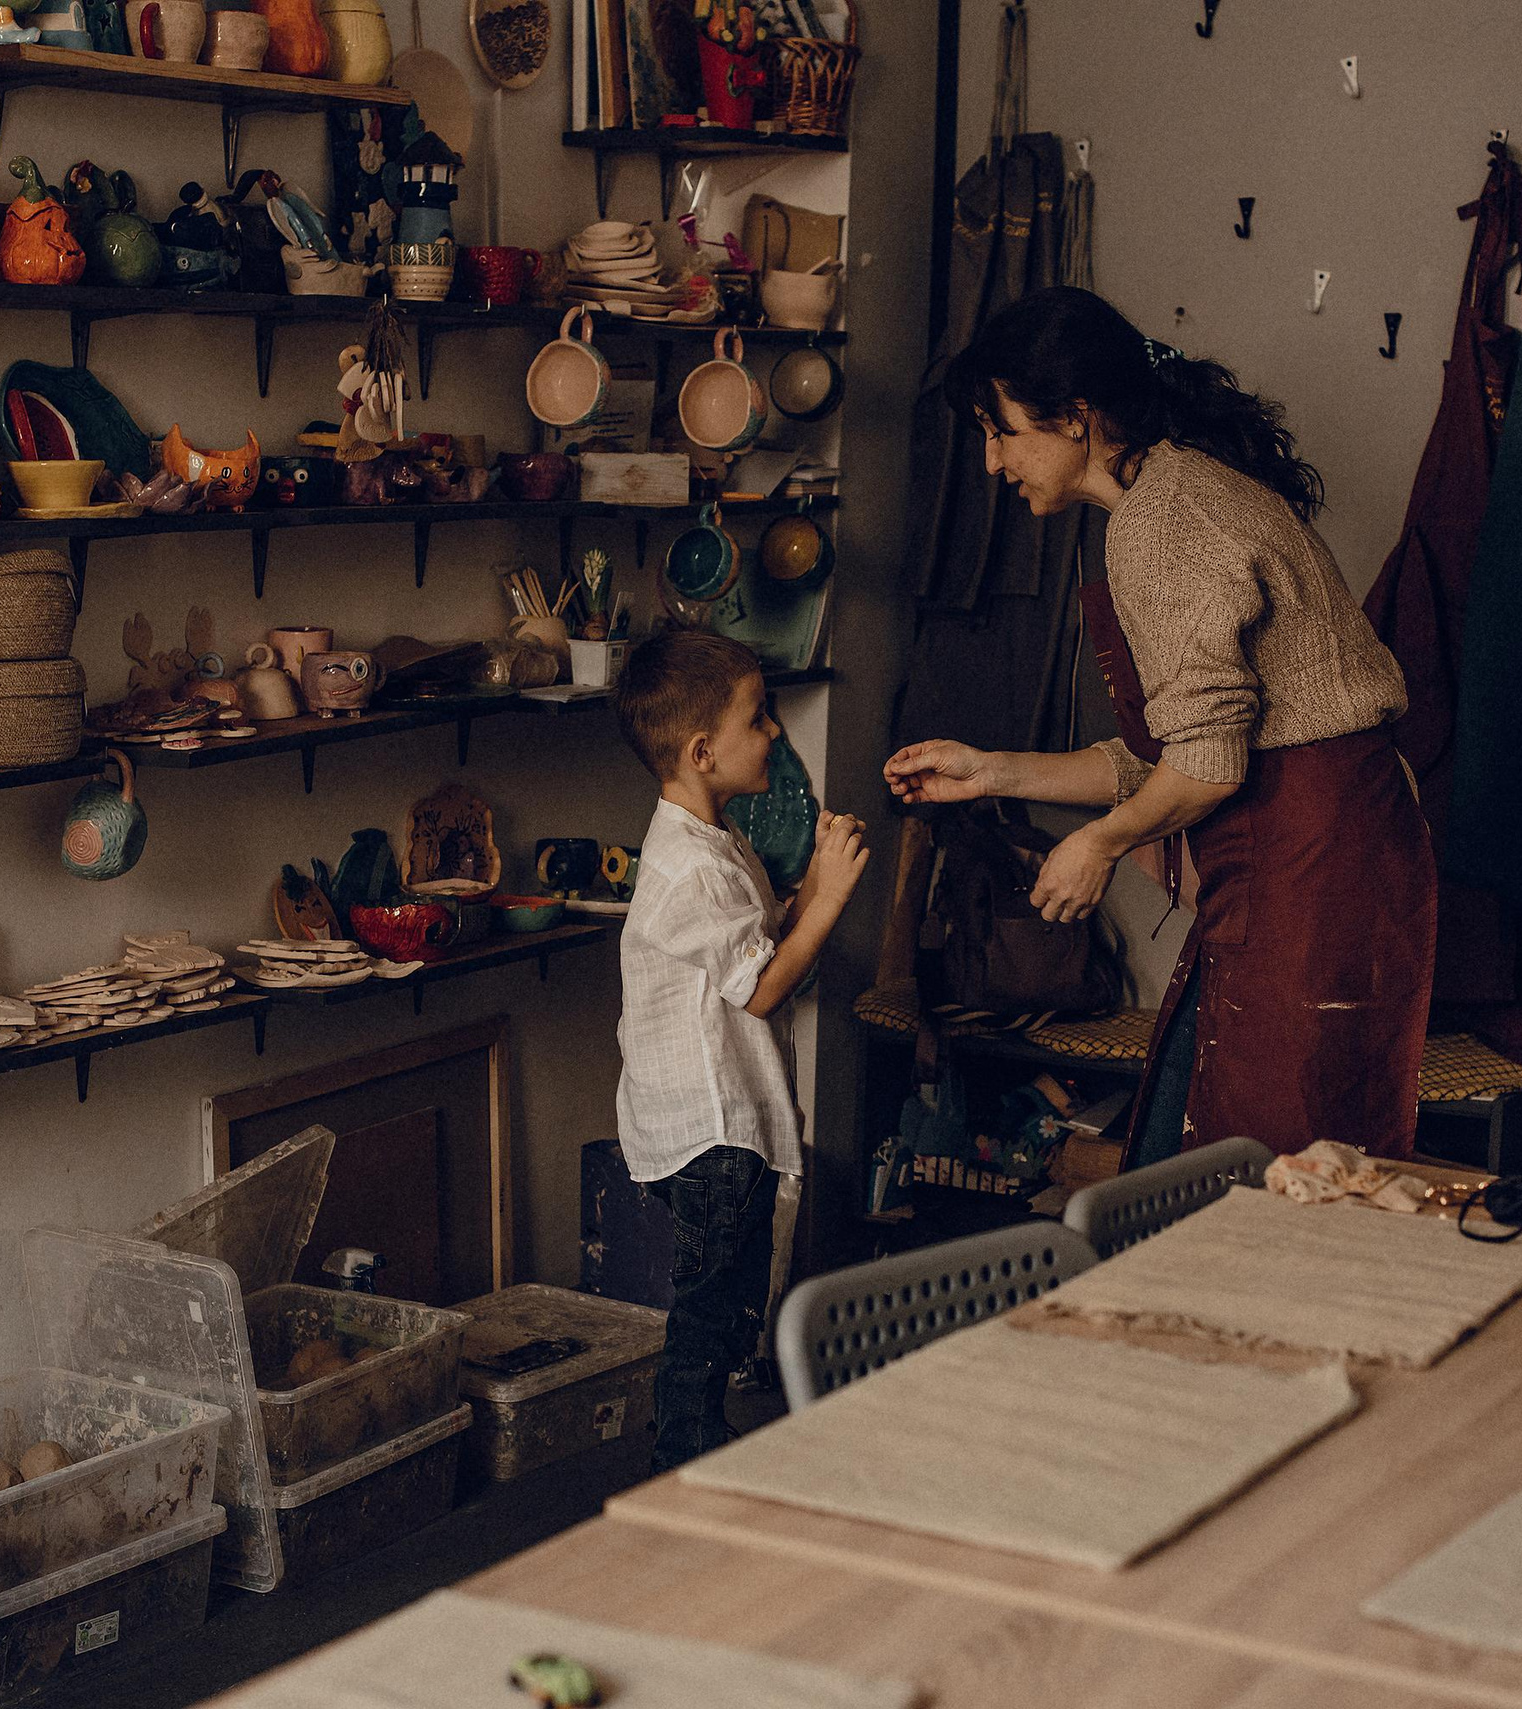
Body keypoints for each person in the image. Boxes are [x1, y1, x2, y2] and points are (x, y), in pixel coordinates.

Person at [885, 286, 1435, 1164]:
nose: (992, 462)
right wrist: (992, 771)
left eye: (1002, 431)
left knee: (1265, 1174)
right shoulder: (1171, 492)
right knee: (1206, 1151)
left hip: (1312, 866)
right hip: (1316, 852)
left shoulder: (1160, 524)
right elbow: (1176, 753)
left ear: (1074, 418)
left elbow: (1210, 767)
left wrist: (1098, 844)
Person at [613, 629, 870, 1468]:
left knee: (731, 1299)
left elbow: (759, 945)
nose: (775, 733)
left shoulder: (718, 844)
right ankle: (682, 1448)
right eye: (759, 719)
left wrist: (809, 893)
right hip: (710, 1128)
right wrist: (827, 899)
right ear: (700, 751)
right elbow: (762, 987)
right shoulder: (691, 870)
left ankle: (701, 1435)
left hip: (732, 1116)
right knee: (710, 1304)